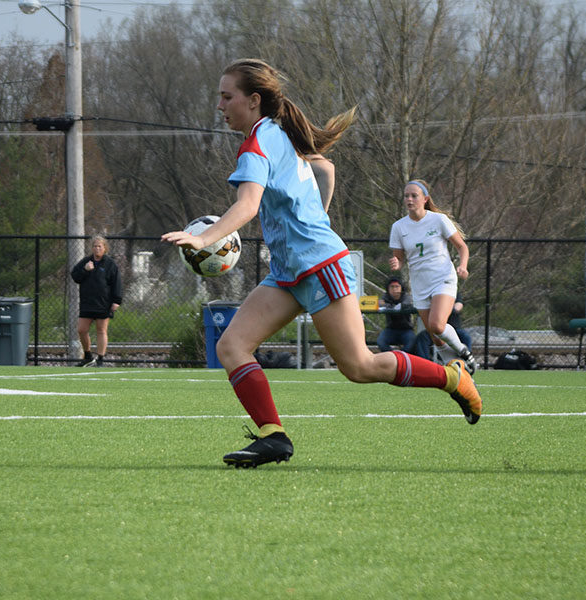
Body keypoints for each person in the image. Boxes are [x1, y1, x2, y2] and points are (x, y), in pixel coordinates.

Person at [161, 58, 482, 468]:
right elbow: (324, 168)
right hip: (289, 271)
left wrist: (203, 238)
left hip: (320, 266)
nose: (220, 106)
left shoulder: (260, 142)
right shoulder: (276, 133)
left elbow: (248, 204)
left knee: (360, 366)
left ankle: (453, 377)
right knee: (232, 345)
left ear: (253, 100)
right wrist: (315, 216)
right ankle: (273, 436)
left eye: (227, 97)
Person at [388, 179, 477, 373]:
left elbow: (462, 247)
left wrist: (463, 266)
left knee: (437, 325)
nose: (409, 199)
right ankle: (459, 370)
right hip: (420, 284)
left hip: (442, 278)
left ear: (425, 198)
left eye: (414, 195)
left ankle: (463, 352)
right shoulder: (399, 227)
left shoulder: (438, 220)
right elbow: (400, 259)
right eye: (406, 196)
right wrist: (397, 263)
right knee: (435, 336)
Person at [70, 235, 122, 367]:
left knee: (101, 330)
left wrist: (116, 301)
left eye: (100, 246)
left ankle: (100, 359)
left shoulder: (110, 264)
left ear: (105, 248)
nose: (97, 248)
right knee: (82, 329)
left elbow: (117, 283)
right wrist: (85, 270)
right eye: (95, 246)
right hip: (87, 302)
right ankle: (87, 356)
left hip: (103, 303)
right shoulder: (86, 262)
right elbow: (75, 276)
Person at [412, 289, 472, 363]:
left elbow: (458, 306)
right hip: (434, 329)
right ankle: (424, 363)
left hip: (455, 329)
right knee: (422, 337)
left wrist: (444, 307)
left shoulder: (452, 290)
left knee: (466, 337)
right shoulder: (429, 291)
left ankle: (467, 361)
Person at [376, 275, 416, 353]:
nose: (394, 289)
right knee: (381, 342)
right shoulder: (385, 297)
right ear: (388, 288)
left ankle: (402, 358)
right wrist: (392, 306)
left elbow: (405, 305)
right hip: (390, 329)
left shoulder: (406, 297)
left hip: (406, 329)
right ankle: (392, 358)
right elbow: (379, 304)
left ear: (401, 288)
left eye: (397, 287)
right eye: (392, 287)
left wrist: (388, 306)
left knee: (411, 344)